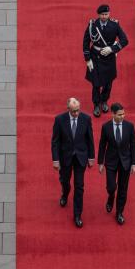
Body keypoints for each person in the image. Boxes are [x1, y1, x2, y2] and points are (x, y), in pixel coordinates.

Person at [51, 98, 95, 228]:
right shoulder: (59, 120)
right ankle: (65, 193)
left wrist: (91, 157)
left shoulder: (86, 119)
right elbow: (55, 141)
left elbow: (90, 139)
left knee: (79, 186)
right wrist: (55, 160)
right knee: (65, 180)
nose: (76, 113)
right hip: (65, 157)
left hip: (81, 157)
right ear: (68, 109)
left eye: (78, 110)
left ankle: (77, 215)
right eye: (74, 111)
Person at [83, 4, 129, 117]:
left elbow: (124, 40)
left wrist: (112, 49)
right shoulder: (92, 25)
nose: (105, 16)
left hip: (109, 58)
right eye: (102, 14)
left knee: (108, 84)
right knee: (96, 84)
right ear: (98, 15)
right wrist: (87, 59)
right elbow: (86, 42)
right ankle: (96, 105)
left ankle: (104, 101)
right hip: (96, 57)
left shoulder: (114, 25)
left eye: (106, 14)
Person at [97, 103, 135, 225]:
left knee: (123, 189)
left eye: (123, 114)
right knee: (111, 187)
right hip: (111, 161)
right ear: (113, 114)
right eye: (119, 114)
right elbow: (102, 145)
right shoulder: (106, 127)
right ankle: (110, 197)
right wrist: (100, 162)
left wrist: (134, 163)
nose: (122, 116)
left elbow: (133, 145)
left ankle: (119, 213)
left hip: (125, 162)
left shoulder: (129, 126)